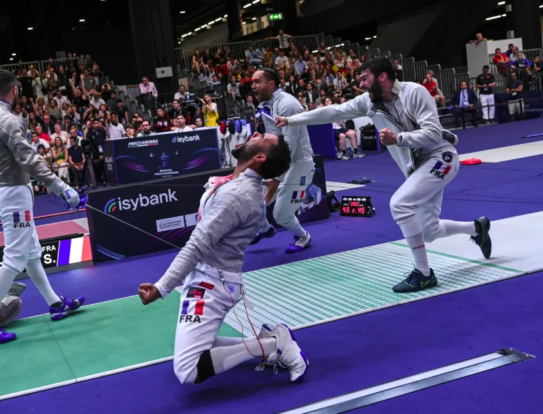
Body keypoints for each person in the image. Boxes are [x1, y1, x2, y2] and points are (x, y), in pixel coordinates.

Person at [274, 57, 492, 292]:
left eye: (364, 78)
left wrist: (398, 139)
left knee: (400, 204)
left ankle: (424, 274)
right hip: (417, 168)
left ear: (382, 77)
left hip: (441, 158)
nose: (361, 84)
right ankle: (477, 228)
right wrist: (291, 120)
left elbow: (433, 134)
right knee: (429, 231)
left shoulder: (415, 93)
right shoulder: (368, 101)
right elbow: (333, 112)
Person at [138, 132, 309, 385]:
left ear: (260, 157)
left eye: (262, 136)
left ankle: (275, 344)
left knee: (187, 370)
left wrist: (162, 287)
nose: (255, 133)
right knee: (197, 347)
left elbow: (197, 244)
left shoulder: (238, 195)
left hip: (212, 284)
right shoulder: (237, 183)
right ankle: (268, 341)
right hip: (204, 274)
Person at [0, 70, 85, 344]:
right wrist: (63, 188)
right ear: (15, 90)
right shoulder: (9, 120)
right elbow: (30, 161)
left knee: (32, 252)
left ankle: (55, 303)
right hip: (13, 196)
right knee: (14, 258)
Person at [250, 68, 315, 253]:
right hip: (280, 162)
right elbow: (274, 136)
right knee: (254, 196)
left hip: (299, 165)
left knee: (281, 215)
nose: (252, 86)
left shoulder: (288, 105)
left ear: (271, 84)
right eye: (252, 82)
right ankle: (265, 229)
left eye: (257, 82)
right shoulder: (266, 104)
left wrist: (275, 179)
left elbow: (289, 147)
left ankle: (303, 236)